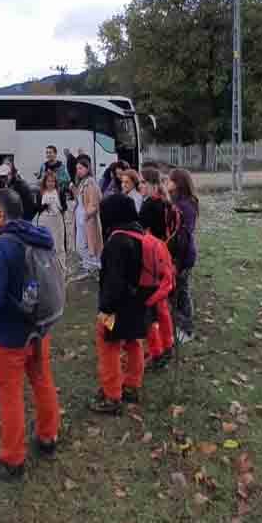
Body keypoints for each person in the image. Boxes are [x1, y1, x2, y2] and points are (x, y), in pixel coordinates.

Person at [0, 189, 61, 481]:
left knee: (10, 394)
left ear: (1, 214)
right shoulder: (39, 235)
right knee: (42, 380)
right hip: (40, 326)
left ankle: (12, 458)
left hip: (10, 335)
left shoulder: (0, 246)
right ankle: (48, 436)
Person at [91, 193, 152, 415]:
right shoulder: (138, 233)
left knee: (108, 347)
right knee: (133, 342)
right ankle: (132, 385)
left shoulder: (116, 241)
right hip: (138, 303)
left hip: (117, 306)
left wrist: (105, 309)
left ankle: (111, 395)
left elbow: (113, 282)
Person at [138, 168, 176, 369]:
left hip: (151, 261)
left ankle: (157, 352)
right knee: (161, 308)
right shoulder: (165, 202)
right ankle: (168, 344)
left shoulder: (149, 206)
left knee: (150, 311)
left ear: (152, 184)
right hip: (164, 257)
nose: (140, 186)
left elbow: (142, 233)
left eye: (143, 182)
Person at [167, 168, 199, 345]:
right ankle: (181, 326)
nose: (167, 182)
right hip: (181, 255)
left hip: (183, 257)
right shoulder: (179, 202)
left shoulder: (184, 206)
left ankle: (186, 329)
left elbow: (182, 237)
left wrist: (176, 261)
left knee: (181, 292)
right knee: (180, 291)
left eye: (170, 180)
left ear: (178, 183)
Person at [72, 156, 103, 280]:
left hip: (87, 220)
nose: (78, 171)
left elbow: (94, 203)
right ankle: (88, 265)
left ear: (87, 168)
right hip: (81, 218)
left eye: (80, 168)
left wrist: (86, 215)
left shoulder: (90, 183)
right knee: (81, 244)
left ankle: (93, 266)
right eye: (77, 168)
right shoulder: (83, 182)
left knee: (89, 244)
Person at [36, 173, 70, 274]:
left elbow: (65, 207)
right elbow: (37, 208)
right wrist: (45, 205)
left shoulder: (59, 192)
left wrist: (58, 205)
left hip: (57, 219)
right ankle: (46, 267)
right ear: (45, 182)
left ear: (55, 182)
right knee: (44, 243)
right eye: (48, 181)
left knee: (59, 244)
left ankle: (62, 268)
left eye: (53, 181)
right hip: (44, 220)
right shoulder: (41, 193)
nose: (50, 183)